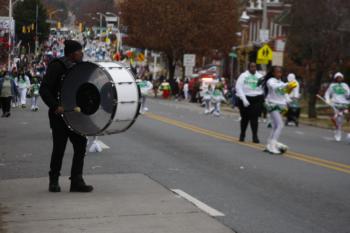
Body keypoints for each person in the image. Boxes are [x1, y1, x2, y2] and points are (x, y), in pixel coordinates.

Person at [40, 40, 93, 193]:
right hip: (59, 115)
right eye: (79, 51)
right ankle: (54, 180)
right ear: (71, 53)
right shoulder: (57, 65)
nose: (82, 53)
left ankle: (76, 180)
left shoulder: (81, 68)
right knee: (59, 148)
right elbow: (44, 89)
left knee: (80, 144)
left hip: (76, 115)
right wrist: (55, 106)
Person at [261, 66, 297, 154]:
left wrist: (289, 92)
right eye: (277, 72)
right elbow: (277, 88)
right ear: (273, 73)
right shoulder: (271, 81)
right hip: (272, 104)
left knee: (275, 126)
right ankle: (272, 146)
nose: (279, 74)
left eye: (280, 72)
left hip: (280, 105)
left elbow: (284, 93)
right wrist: (288, 85)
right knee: (280, 125)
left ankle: (269, 145)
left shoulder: (281, 82)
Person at [235, 62, 264, 143]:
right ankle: (242, 134)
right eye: (251, 67)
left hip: (256, 99)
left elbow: (264, 88)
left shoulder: (260, 76)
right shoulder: (243, 76)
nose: (253, 68)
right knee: (244, 118)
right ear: (248, 68)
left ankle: (255, 136)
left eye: (254, 67)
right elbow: (238, 87)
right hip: (245, 99)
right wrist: (244, 99)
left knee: (254, 119)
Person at [324, 72, 350, 141]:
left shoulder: (345, 85)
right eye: (338, 77)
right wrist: (327, 100)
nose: (339, 79)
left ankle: (339, 130)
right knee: (335, 118)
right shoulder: (332, 85)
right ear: (335, 78)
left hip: (344, 104)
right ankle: (338, 129)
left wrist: (348, 95)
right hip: (335, 104)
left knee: (341, 118)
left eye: (340, 77)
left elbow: (348, 94)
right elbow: (327, 94)